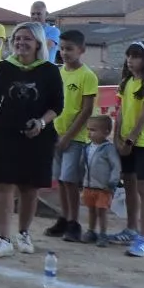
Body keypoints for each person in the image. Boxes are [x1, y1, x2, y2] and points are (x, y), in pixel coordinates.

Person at [0, 22, 64, 259]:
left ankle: (24, 233)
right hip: (5, 133)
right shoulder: (4, 67)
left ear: (38, 42)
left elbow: (57, 105)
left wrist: (41, 123)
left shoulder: (50, 70)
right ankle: (3, 238)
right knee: (4, 185)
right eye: (17, 38)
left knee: (29, 187)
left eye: (26, 38)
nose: (20, 43)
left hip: (38, 136)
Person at [111, 41, 144, 258]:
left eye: (136, 56)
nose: (130, 61)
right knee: (129, 184)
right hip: (126, 140)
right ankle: (131, 228)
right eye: (128, 56)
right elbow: (122, 112)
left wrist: (131, 139)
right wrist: (117, 136)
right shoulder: (126, 83)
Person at [45, 30, 98, 242]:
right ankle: (64, 218)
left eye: (70, 49)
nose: (65, 52)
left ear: (81, 50)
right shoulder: (59, 72)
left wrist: (68, 136)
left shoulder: (87, 76)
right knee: (60, 180)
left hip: (75, 138)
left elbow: (86, 110)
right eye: (62, 48)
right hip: (56, 134)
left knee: (71, 181)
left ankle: (74, 222)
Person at [80, 115, 122, 246]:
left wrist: (112, 183)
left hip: (104, 187)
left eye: (93, 130)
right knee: (91, 209)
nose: (90, 133)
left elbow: (116, 167)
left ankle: (103, 234)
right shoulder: (87, 147)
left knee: (102, 211)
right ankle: (91, 231)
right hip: (89, 185)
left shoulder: (108, 149)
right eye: (88, 129)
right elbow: (83, 165)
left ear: (106, 132)